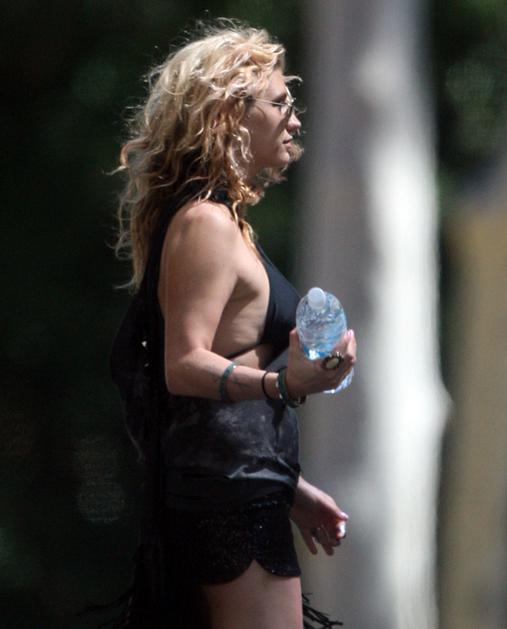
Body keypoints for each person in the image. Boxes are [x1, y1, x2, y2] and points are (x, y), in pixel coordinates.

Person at [110, 19, 357, 629]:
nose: (294, 121)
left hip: (243, 489)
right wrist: (284, 383)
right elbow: (182, 365)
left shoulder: (222, 220)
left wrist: (290, 488)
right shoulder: (206, 223)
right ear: (229, 115)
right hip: (228, 500)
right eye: (280, 103)